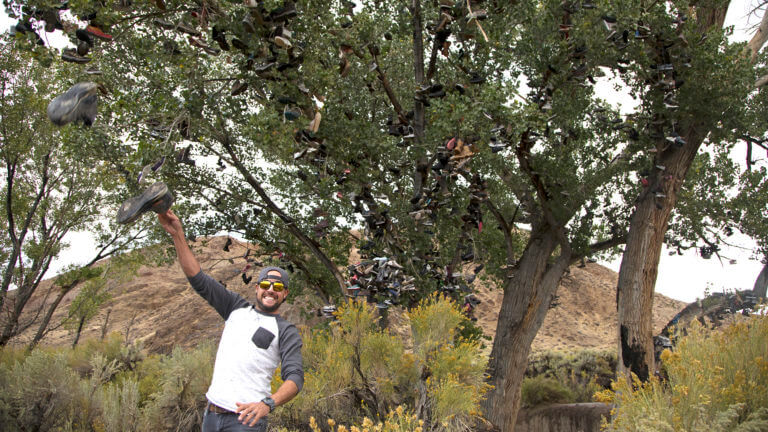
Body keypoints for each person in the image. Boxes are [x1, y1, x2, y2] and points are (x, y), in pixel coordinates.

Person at [157, 210, 303, 431]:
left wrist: (268, 404)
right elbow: (198, 279)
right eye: (265, 285)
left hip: (245, 422)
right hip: (211, 416)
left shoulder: (286, 330)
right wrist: (177, 234)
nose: (271, 291)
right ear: (257, 288)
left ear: (285, 294)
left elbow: (295, 377)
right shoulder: (235, 308)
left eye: (278, 287)